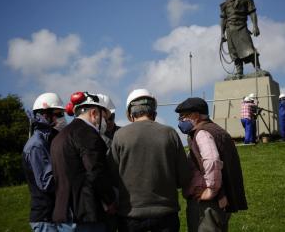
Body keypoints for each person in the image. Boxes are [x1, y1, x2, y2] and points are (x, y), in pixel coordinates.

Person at [111, 88, 190, 232]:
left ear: (130, 114)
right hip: (166, 214)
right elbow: (183, 177)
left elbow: (113, 177)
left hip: (130, 216)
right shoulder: (170, 133)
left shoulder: (119, 136)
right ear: (154, 113)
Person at [175, 97, 248, 232]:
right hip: (220, 201)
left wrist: (211, 191)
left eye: (183, 116)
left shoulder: (202, 133)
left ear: (195, 115)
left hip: (207, 204)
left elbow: (213, 161)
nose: (180, 121)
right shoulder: (217, 130)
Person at [51, 92, 117, 232]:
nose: (105, 122)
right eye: (104, 117)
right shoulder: (87, 133)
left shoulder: (59, 137)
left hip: (63, 215)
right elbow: (96, 171)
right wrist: (110, 200)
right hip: (87, 216)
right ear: (94, 113)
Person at [22, 92, 72, 232]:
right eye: (58, 114)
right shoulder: (36, 145)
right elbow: (47, 182)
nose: (62, 118)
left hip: (54, 217)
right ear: (45, 115)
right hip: (45, 219)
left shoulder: (47, 141)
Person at [220, 0, 261, 77]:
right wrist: (222, 33)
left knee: (250, 49)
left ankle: (258, 68)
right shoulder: (225, 4)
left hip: (242, 27)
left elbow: (252, 12)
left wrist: (255, 26)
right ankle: (239, 72)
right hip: (230, 29)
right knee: (234, 53)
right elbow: (223, 19)